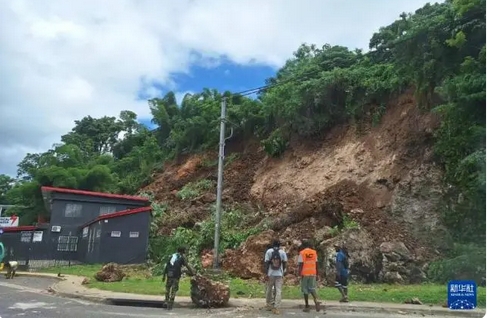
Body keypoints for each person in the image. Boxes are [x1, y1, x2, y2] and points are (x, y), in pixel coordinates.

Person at [264, 240, 288, 315]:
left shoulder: (269, 251)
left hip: (270, 274)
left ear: (272, 245)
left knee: (269, 289)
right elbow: (285, 263)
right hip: (279, 274)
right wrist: (283, 271)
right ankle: (276, 308)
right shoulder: (282, 252)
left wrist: (266, 273)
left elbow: (266, 263)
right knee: (278, 291)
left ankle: (269, 305)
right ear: (279, 245)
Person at [297, 240, 321, 312]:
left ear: (303, 245)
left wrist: (299, 274)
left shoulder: (302, 253)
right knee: (312, 288)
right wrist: (317, 274)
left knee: (305, 289)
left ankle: (307, 306)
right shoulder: (314, 252)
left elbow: (301, 265)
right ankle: (316, 301)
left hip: (305, 273)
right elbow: (316, 264)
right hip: (313, 272)